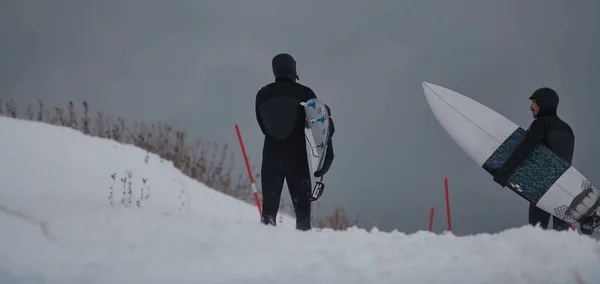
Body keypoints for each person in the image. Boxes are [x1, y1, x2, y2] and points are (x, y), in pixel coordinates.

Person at [255, 53, 334, 231]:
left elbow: (262, 126)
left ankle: (263, 251)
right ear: (293, 69)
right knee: (303, 218)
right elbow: (322, 123)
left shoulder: (262, 94)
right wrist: (327, 156)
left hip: (270, 157)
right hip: (296, 159)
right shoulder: (305, 93)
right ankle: (304, 254)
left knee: (268, 214)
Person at [492, 87, 574, 231]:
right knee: (562, 234)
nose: (531, 107)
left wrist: (505, 171)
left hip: (542, 189)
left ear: (543, 104)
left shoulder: (541, 123)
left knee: (538, 231)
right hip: (563, 190)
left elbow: (526, 148)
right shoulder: (568, 130)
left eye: (534, 102)